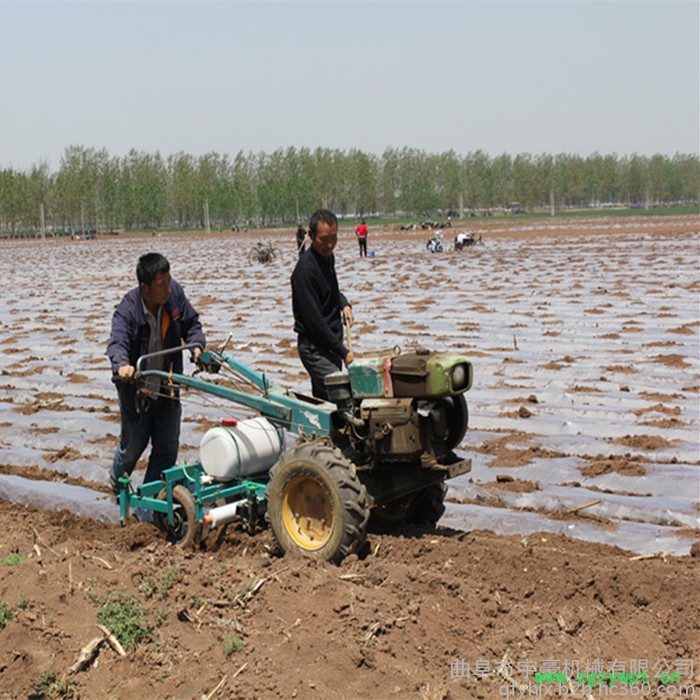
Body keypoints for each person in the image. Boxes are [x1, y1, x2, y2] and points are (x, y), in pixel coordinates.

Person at [107, 253, 206, 493]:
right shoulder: (128, 308)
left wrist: (196, 346)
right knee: (132, 447)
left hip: (167, 387)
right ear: (145, 288)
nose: (168, 289)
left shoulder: (175, 297)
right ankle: (117, 484)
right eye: (161, 285)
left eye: (169, 281)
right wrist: (122, 366)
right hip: (137, 392)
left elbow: (192, 324)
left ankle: (149, 502)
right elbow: (117, 342)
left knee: (167, 448)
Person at [291, 209, 354, 400]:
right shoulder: (304, 272)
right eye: (324, 239)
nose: (329, 245)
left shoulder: (328, 258)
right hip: (315, 349)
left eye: (334, 238)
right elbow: (315, 323)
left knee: (325, 402)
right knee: (344, 397)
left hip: (332, 344)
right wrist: (344, 352)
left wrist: (344, 304)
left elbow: (332, 290)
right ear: (310, 236)